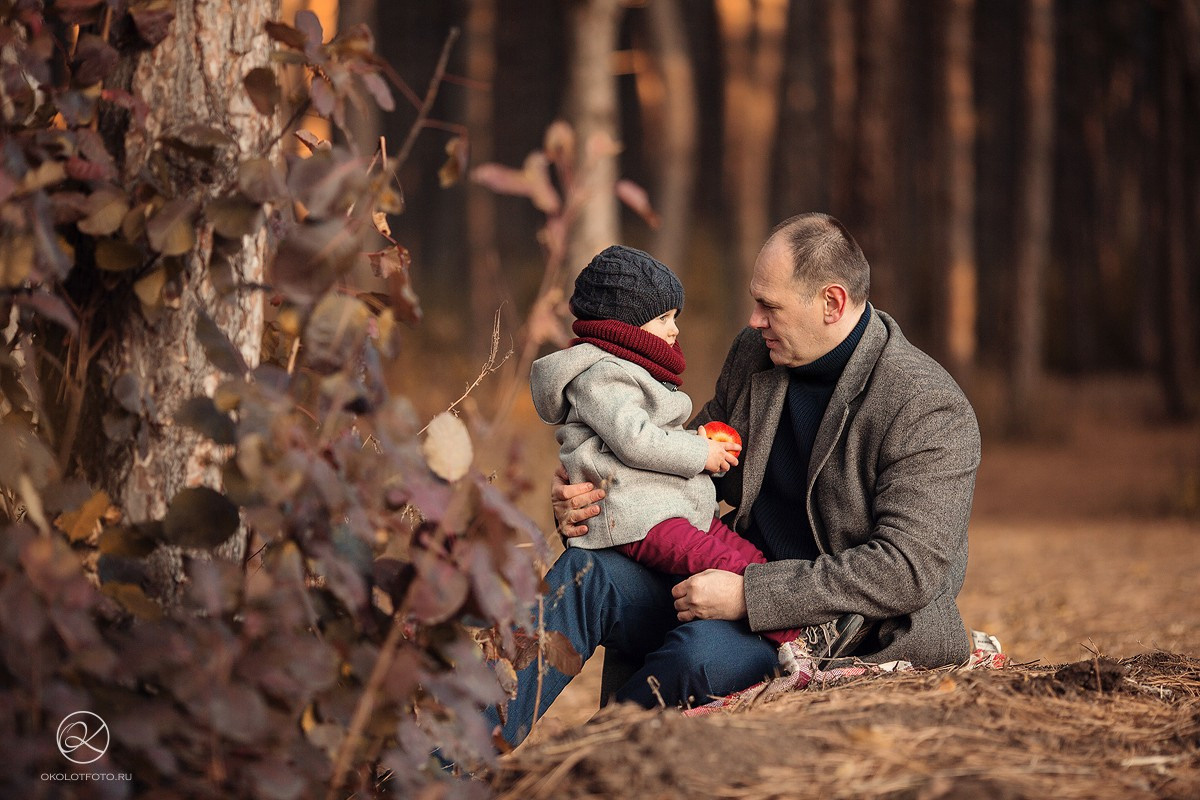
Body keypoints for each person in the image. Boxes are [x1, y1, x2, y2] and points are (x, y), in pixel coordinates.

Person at [491, 213, 981, 747]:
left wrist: (751, 595)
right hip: (721, 571)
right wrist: (593, 495)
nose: (753, 320)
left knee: (695, 659)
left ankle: (572, 769)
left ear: (832, 303)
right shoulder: (757, 354)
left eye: (769, 306)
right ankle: (449, 760)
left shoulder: (926, 406)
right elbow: (686, 463)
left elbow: (906, 570)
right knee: (585, 575)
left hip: (834, 628)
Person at [529, 245, 862, 652]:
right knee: (716, 575)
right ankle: (804, 644)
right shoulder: (603, 376)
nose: (675, 331)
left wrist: (700, 448)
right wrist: (701, 452)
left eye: (769, 305)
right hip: (645, 517)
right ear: (624, 327)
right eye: (664, 319)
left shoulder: (915, 395)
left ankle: (810, 632)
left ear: (832, 303)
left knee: (749, 561)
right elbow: (637, 442)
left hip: (671, 514)